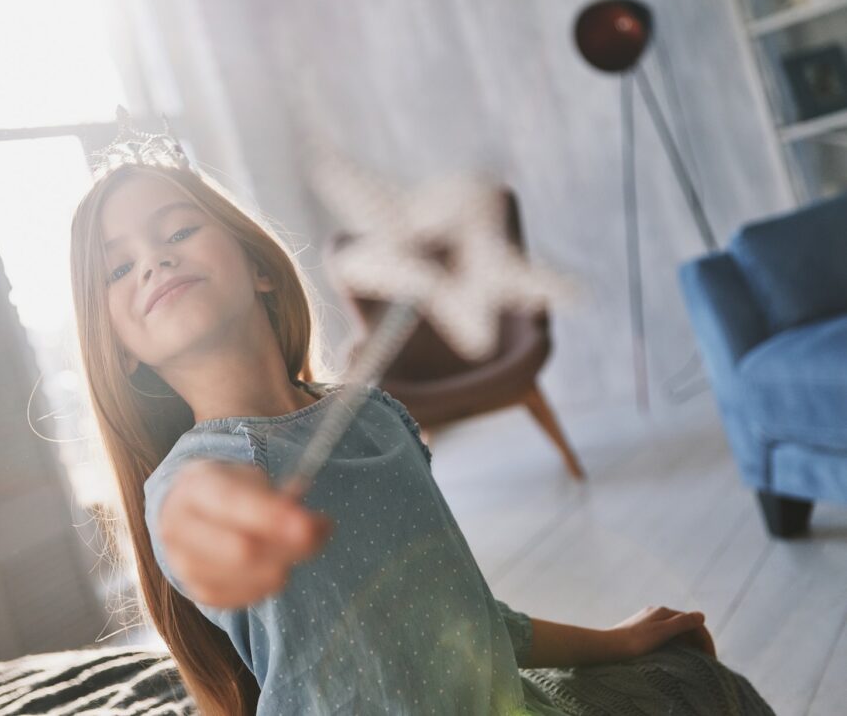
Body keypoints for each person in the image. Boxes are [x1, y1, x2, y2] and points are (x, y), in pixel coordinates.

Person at [69, 160, 775, 716]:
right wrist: (221, 530)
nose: (153, 261)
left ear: (259, 267)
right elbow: (195, 516)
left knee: (697, 678)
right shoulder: (190, 481)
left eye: (177, 231)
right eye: (119, 268)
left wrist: (616, 641)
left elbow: (474, 621)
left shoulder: (376, 416)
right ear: (122, 351)